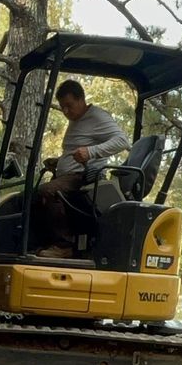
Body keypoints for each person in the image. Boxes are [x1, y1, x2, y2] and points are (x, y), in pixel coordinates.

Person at [32, 80, 131, 257]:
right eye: (63, 107)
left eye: (69, 105)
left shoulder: (97, 117)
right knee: (32, 198)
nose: (66, 112)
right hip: (65, 174)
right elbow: (75, 148)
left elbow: (122, 141)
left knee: (47, 191)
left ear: (81, 99)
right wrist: (59, 160)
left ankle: (65, 246)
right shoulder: (76, 119)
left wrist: (91, 152)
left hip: (82, 175)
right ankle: (43, 243)